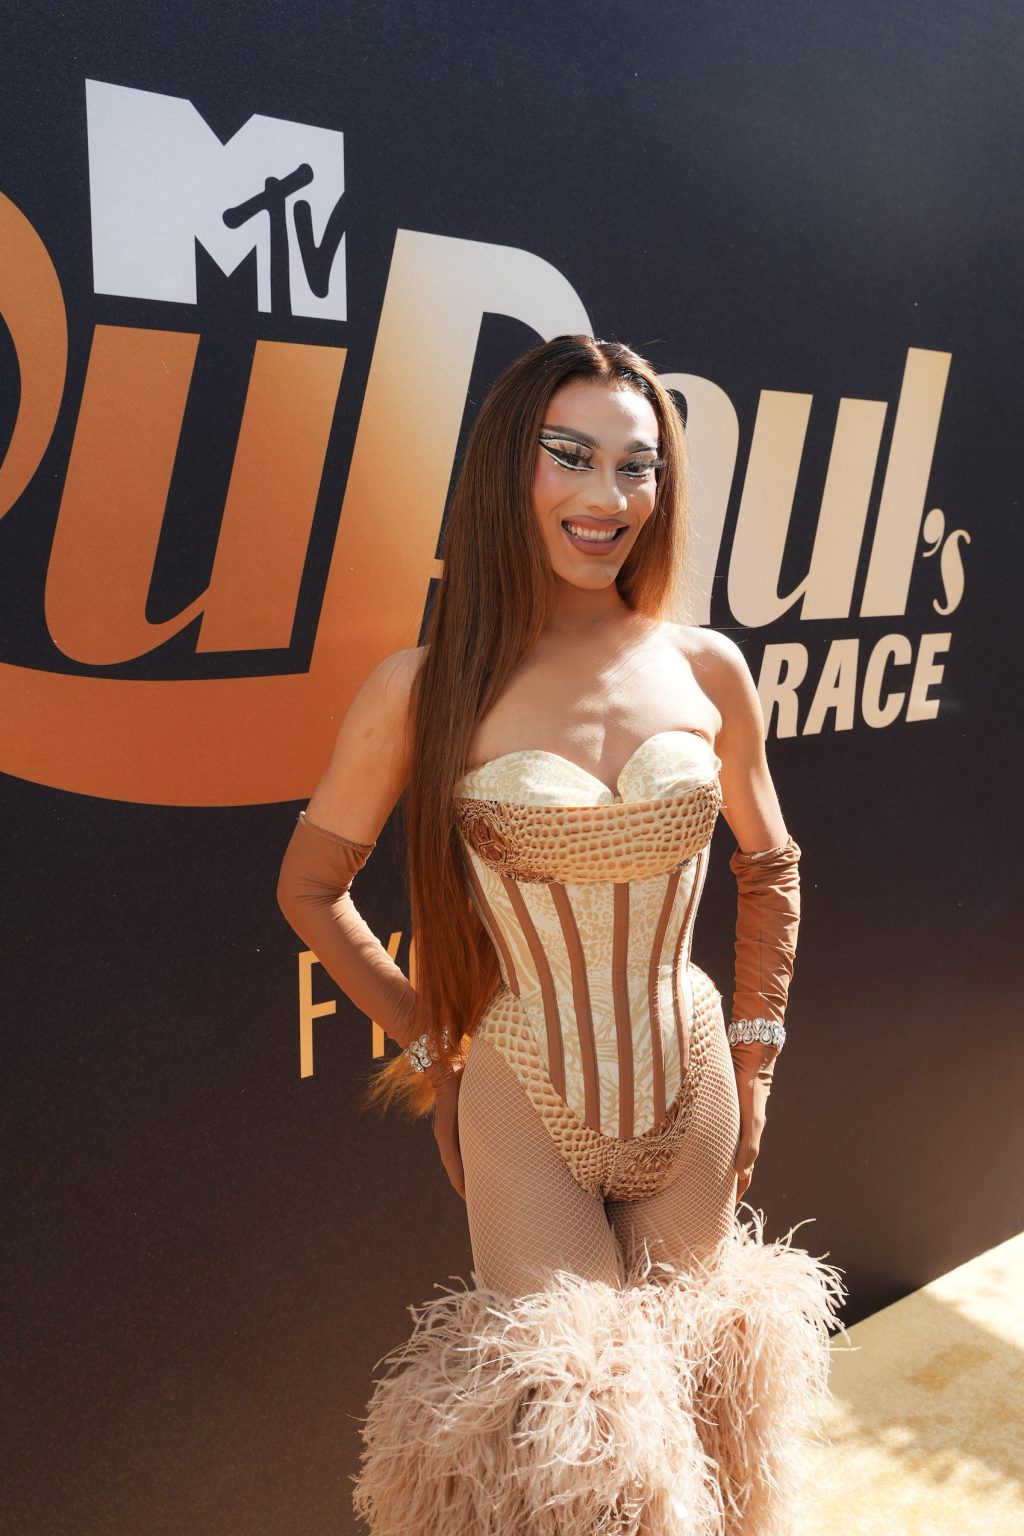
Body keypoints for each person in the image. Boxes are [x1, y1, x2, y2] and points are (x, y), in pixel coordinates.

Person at [277, 335, 843, 1535]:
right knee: (578, 1464)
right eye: (571, 457)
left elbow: (771, 865)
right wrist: (431, 1043)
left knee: (703, 1430)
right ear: (506, 471)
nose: (607, 498)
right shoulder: (423, 686)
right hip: (524, 1099)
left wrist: (753, 1064)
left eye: (637, 467)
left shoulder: (709, 667)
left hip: (690, 1080)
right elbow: (312, 885)